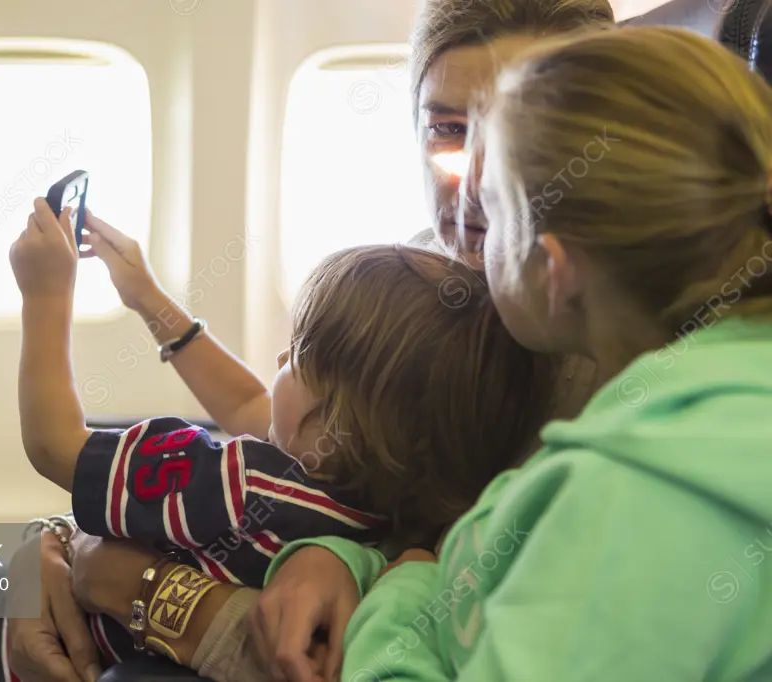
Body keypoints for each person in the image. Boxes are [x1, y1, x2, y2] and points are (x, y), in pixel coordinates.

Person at [0, 203, 559, 682]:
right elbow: (251, 404)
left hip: (71, 638)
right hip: (90, 629)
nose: (276, 364)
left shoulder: (236, 484)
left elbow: (53, 446)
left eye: (297, 355)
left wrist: (45, 296)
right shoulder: (372, 518)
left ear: (334, 435)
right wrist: (147, 297)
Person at [254, 25, 772, 682]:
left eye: (494, 207)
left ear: (553, 269)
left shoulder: (627, 494)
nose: (470, 227)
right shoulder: (726, 386)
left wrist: (404, 594)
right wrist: (347, 558)